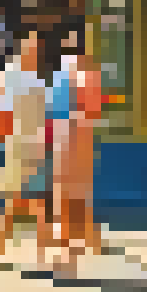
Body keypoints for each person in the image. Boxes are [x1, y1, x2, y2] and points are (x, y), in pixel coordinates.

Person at [0, 30, 52, 270]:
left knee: (24, 202)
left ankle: (1, 254)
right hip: (28, 146)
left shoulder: (19, 78)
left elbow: (2, 113)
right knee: (24, 202)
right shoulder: (34, 81)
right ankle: (5, 253)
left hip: (22, 146)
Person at [49, 30, 106, 269]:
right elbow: (93, 110)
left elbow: (57, 109)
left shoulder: (67, 74)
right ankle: (90, 241)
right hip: (79, 136)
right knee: (79, 192)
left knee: (66, 193)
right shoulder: (87, 74)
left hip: (70, 136)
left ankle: (69, 248)